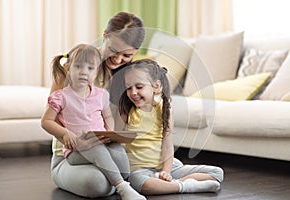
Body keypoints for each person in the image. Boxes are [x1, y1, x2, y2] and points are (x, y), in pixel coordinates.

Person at [46, 12, 145, 198]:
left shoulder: (126, 78)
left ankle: (118, 181)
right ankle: (117, 183)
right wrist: (70, 137)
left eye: (127, 55)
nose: (117, 59)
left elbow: (114, 124)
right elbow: (51, 118)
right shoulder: (77, 66)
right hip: (68, 157)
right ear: (105, 35)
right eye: (114, 50)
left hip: (104, 152)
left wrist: (111, 135)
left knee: (121, 166)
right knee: (98, 184)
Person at [118, 59, 224, 195]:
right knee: (138, 181)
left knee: (217, 173)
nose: (133, 92)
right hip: (140, 170)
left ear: (156, 86)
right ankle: (184, 186)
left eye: (139, 87)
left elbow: (168, 146)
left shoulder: (164, 109)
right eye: (128, 88)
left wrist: (166, 172)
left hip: (167, 166)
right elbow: (119, 142)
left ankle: (169, 183)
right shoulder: (127, 111)